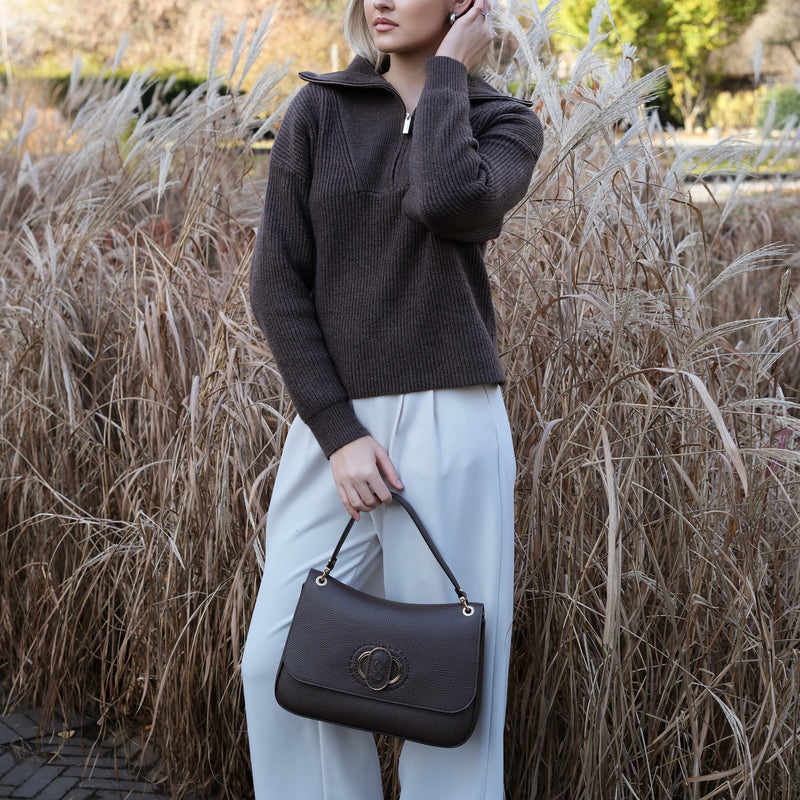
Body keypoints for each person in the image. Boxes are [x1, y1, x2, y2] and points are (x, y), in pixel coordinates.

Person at [241, 0, 543, 796]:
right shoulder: (318, 111)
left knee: (450, 687)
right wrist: (339, 434)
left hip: (454, 420)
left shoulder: (503, 121)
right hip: (333, 428)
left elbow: (448, 200)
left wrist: (447, 74)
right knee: (275, 662)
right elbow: (275, 284)